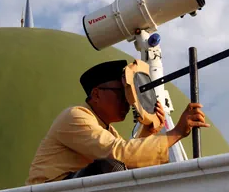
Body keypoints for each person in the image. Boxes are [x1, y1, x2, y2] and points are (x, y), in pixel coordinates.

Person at [25, 60, 210, 185]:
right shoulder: (76, 116)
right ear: (96, 94)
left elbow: (128, 163)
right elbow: (120, 154)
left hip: (73, 186)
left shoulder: (107, 130)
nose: (128, 101)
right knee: (111, 164)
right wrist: (176, 133)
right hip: (51, 188)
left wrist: (148, 130)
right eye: (122, 94)